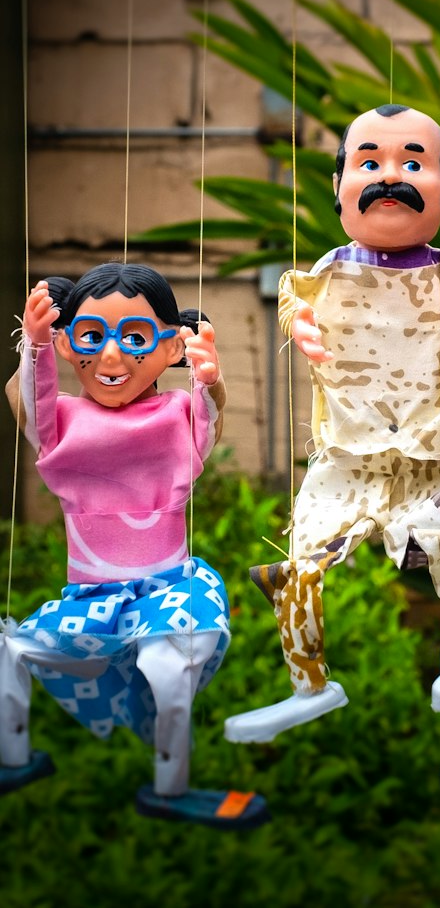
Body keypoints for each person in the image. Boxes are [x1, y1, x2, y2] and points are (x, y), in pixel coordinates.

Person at [225, 104, 440, 744]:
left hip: (428, 461)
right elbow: (295, 306)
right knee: (299, 568)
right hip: (345, 462)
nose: (390, 176)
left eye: (412, 163)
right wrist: (299, 326)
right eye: (370, 162)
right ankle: (307, 683)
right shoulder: (327, 270)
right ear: (337, 187)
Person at [0, 264, 266, 827]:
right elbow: (27, 399)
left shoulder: (177, 415)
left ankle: (171, 786)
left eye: (137, 339)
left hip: (167, 587)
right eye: (92, 336)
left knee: (168, 670)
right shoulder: (61, 424)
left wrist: (210, 379)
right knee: (12, 651)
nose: (114, 359)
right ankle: (14, 758)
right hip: (87, 598)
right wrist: (36, 344)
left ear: (171, 347)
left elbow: (210, 414)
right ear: (71, 344)